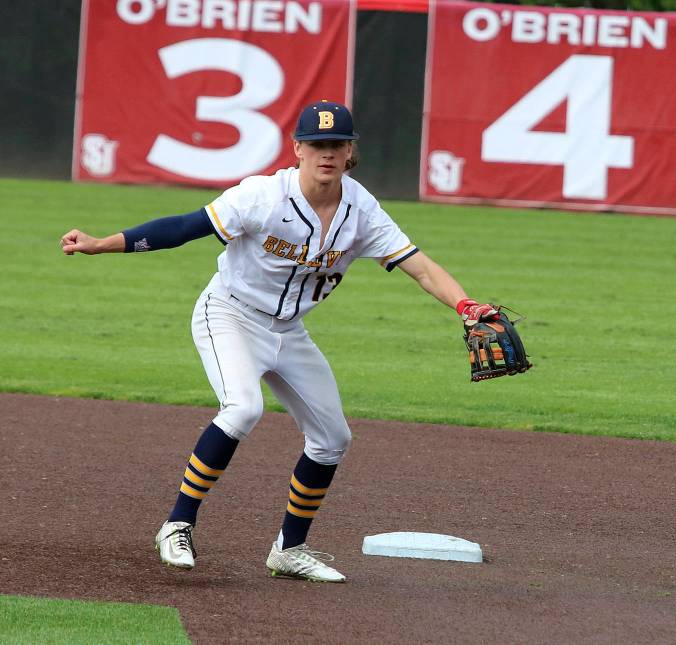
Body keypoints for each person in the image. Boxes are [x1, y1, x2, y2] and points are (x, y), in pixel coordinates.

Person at [60, 100, 499, 583]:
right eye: (316, 145)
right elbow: (185, 227)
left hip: (289, 331)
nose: (326, 154)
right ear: (298, 149)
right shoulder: (263, 197)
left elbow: (421, 267)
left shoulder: (361, 210)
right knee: (243, 408)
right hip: (229, 313)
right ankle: (178, 523)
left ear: (350, 151)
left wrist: (466, 305)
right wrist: (102, 243)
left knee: (333, 438)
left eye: (336, 144)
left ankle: (289, 550)